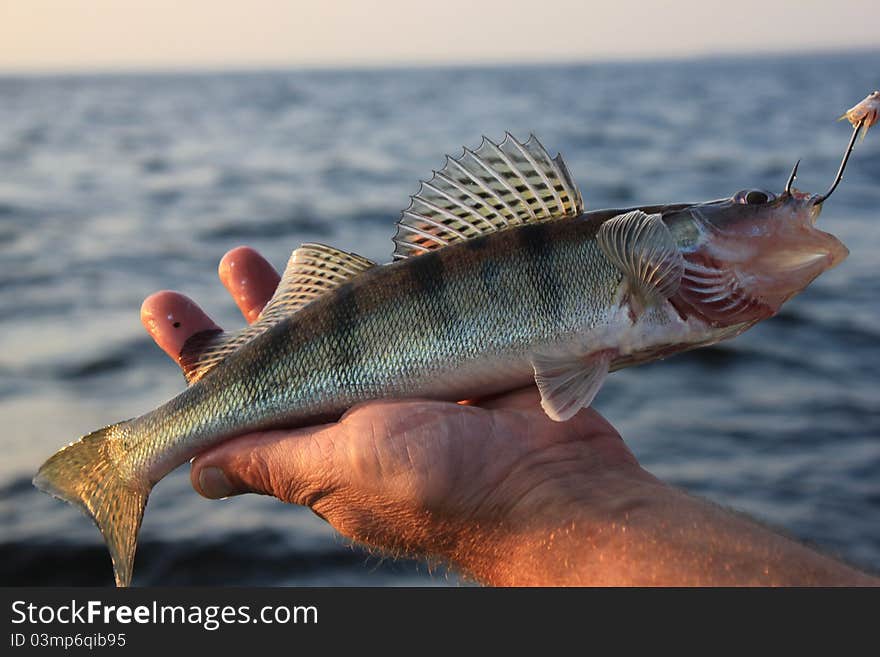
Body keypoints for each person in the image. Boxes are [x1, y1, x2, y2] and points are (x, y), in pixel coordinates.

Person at [140, 246, 877, 586]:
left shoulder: (651, 287)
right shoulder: (642, 273)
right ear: (653, 252)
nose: (760, 220)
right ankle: (132, 459)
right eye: (746, 204)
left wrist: (541, 495)